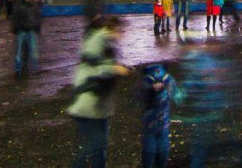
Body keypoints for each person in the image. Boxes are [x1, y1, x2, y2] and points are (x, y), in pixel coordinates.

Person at [67, 16, 129, 168]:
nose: (122, 35)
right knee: (95, 145)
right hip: (88, 102)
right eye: (120, 31)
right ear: (112, 29)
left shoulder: (109, 44)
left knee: (100, 145)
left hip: (100, 104)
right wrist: (113, 69)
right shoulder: (97, 42)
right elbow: (89, 70)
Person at [182, 42, 242, 167]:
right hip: (215, 107)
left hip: (214, 108)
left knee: (206, 143)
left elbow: (193, 84)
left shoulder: (207, 62)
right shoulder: (211, 61)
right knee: (223, 141)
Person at [138, 61, 180, 168]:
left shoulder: (167, 80)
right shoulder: (148, 83)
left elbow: (177, 96)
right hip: (151, 126)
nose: (158, 85)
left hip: (162, 126)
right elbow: (140, 97)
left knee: (162, 152)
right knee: (150, 151)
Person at [12, 0, 43, 76]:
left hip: (31, 29)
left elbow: (38, 16)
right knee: (19, 51)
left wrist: (37, 26)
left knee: (32, 50)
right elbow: (17, 15)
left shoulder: (35, 3)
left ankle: (33, 67)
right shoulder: (21, 1)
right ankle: (18, 69)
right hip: (22, 29)